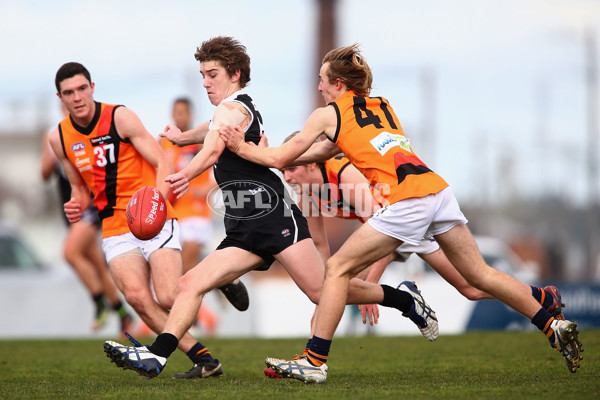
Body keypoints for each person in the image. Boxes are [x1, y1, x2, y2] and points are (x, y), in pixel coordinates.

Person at [218, 44, 583, 382]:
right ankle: (550, 321)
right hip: (436, 191)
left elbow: (282, 158)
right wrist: (281, 155)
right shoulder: (382, 105)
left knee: (337, 269)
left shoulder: (327, 115)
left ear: (338, 83)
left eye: (322, 80)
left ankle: (314, 361)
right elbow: (314, 154)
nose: (318, 88)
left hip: (404, 202)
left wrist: (240, 146)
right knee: (478, 278)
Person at [102, 36, 440, 380]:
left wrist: (185, 173)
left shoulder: (234, 108)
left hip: (274, 219)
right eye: (202, 74)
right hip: (243, 228)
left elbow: (213, 149)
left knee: (321, 292)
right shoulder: (231, 110)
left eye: (212, 74)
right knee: (190, 284)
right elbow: (210, 131)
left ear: (234, 74)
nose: (205, 82)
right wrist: (182, 137)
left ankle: (404, 300)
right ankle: (158, 357)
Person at [264, 134, 568, 379]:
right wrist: (323, 294)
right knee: (471, 288)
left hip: (408, 214)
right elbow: (319, 243)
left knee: (472, 286)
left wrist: (370, 285)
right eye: (283, 170)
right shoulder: (306, 193)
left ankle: (539, 300)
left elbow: (385, 228)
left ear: (313, 162)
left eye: (292, 168)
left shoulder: (346, 176)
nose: (287, 176)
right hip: (399, 222)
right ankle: (543, 297)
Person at [48, 62, 223, 380]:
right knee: (138, 299)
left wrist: (156, 204)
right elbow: (79, 188)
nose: (77, 97)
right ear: (60, 97)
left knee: (169, 297)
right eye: (69, 92)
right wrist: (76, 204)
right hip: (114, 224)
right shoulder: (59, 138)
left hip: (150, 210)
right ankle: (206, 360)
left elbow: (162, 160)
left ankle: (221, 276)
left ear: (92, 87)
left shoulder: (119, 117)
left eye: (82, 89)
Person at [41, 103, 133, 334]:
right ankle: (122, 314)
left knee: (70, 253)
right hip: (71, 209)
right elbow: (43, 174)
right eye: (65, 100)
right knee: (97, 264)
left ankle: (99, 302)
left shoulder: (89, 131)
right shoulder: (54, 136)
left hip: (91, 204)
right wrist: (53, 158)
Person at [159, 97, 249, 317]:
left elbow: (224, 166)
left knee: (188, 262)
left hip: (197, 211)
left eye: (184, 112)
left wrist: (208, 186)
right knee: (182, 269)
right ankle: (219, 280)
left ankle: (187, 315)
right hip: (173, 212)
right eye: (176, 111)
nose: (180, 116)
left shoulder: (202, 141)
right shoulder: (163, 143)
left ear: (190, 114)